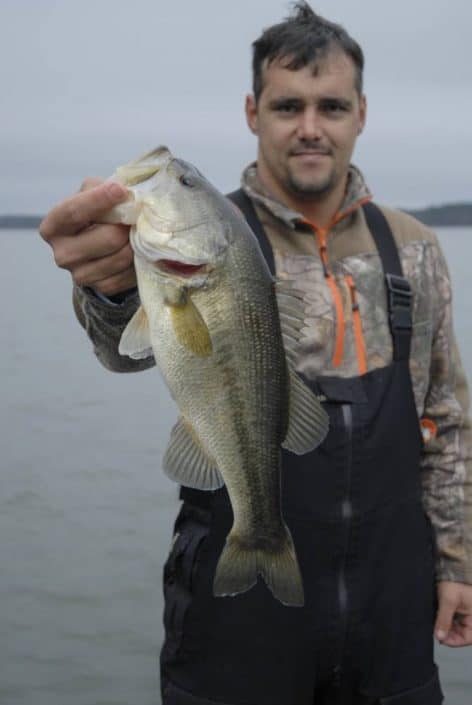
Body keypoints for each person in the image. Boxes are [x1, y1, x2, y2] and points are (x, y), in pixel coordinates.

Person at [39, 3, 472, 704]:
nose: (309, 127)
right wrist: (111, 287)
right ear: (252, 111)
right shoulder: (211, 229)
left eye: (331, 106)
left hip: (392, 625)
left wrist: (459, 561)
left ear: (362, 113)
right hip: (236, 636)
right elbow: (122, 349)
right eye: (287, 105)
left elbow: (447, 418)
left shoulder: (414, 245)